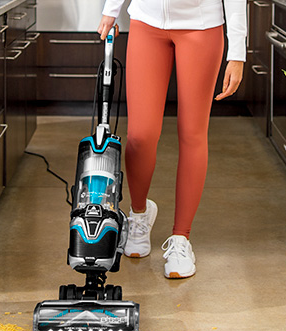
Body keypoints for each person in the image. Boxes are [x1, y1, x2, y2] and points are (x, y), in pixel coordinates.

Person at [97, 0, 246, 279]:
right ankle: (139, 214)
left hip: (201, 27)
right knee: (140, 135)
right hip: (147, 21)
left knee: (192, 134)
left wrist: (237, 52)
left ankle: (181, 239)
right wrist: (111, 10)